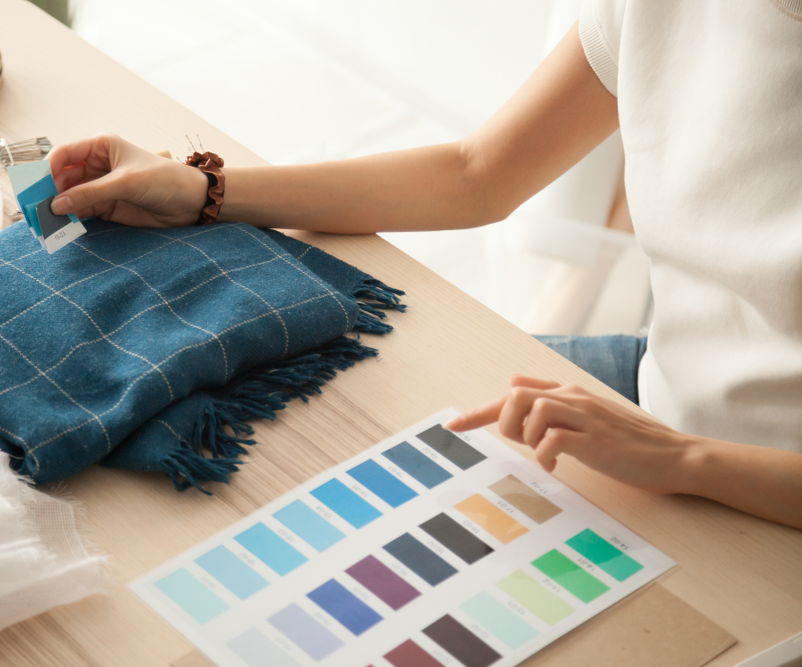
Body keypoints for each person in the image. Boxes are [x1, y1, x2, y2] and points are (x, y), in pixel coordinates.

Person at [47, 1, 802, 529]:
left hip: (757, 477)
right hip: (658, 388)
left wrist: (684, 458)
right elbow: (478, 173)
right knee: (303, 450)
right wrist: (203, 191)